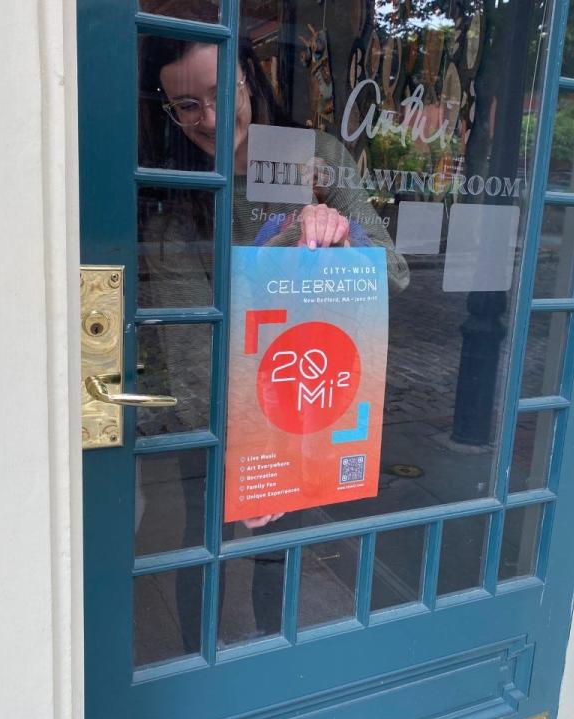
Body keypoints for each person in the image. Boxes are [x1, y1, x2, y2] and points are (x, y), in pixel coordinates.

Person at [135, 26, 408, 650]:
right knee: (204, 544)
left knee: (282, 547)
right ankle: (196, 662)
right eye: (186, 105)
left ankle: (271, 653)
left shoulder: (315, 159)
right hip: (218, 411)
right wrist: (240, 459)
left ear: (249, 79)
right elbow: (189, 343)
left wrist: (338, 227)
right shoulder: (171, 198)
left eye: (220, 91)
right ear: (169, 112)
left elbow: (391, 274)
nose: (209, 117)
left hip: (302, 395)